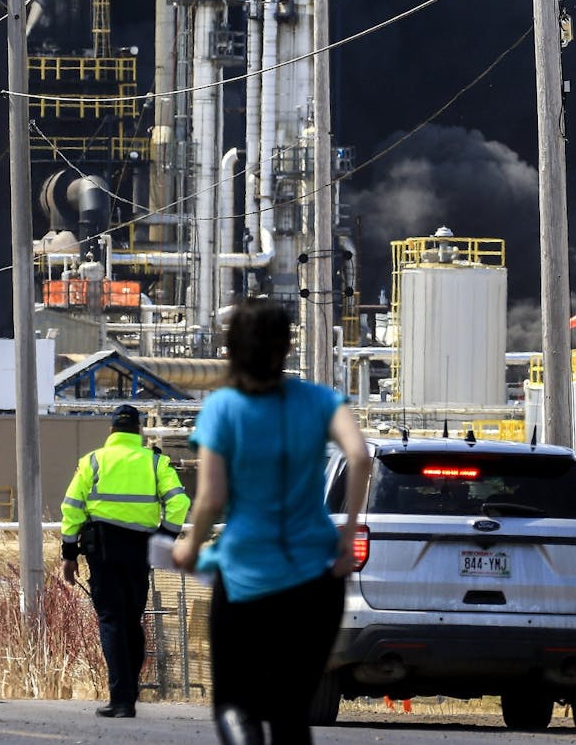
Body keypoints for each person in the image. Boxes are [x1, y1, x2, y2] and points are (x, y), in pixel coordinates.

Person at [173, 298, 370, 745]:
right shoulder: (319, 400)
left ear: (232, 349)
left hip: (246, 573)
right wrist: (347, 537)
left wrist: (190, 544)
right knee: (290, 711)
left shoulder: (222, 409)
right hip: (316, 577)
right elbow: (358, 456)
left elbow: (212, 497)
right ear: (285, 346)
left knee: (234, 706)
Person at [60, 403, 191, 719]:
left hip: (102, 551)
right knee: (131, 620)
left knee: (112, 621)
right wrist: (164, 538)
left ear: (111, 431)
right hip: (140, 550)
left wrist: (69, 554)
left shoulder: (93, 461)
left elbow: (72, 507)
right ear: (140, 430)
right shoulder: (156, 462)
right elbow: (179, 502)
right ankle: (128, 694)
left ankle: (121, 699)